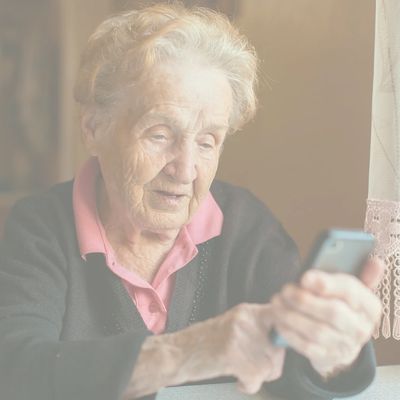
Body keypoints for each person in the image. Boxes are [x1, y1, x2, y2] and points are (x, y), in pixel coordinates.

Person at [0, 3, 383, 400]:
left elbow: (290, 364)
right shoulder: (42, 227)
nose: (185, 170)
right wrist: (192, 351)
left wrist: (332, 352)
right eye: (160, 134)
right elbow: (14, 370)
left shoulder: (243, 223)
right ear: (94, 128)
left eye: (207, 141)